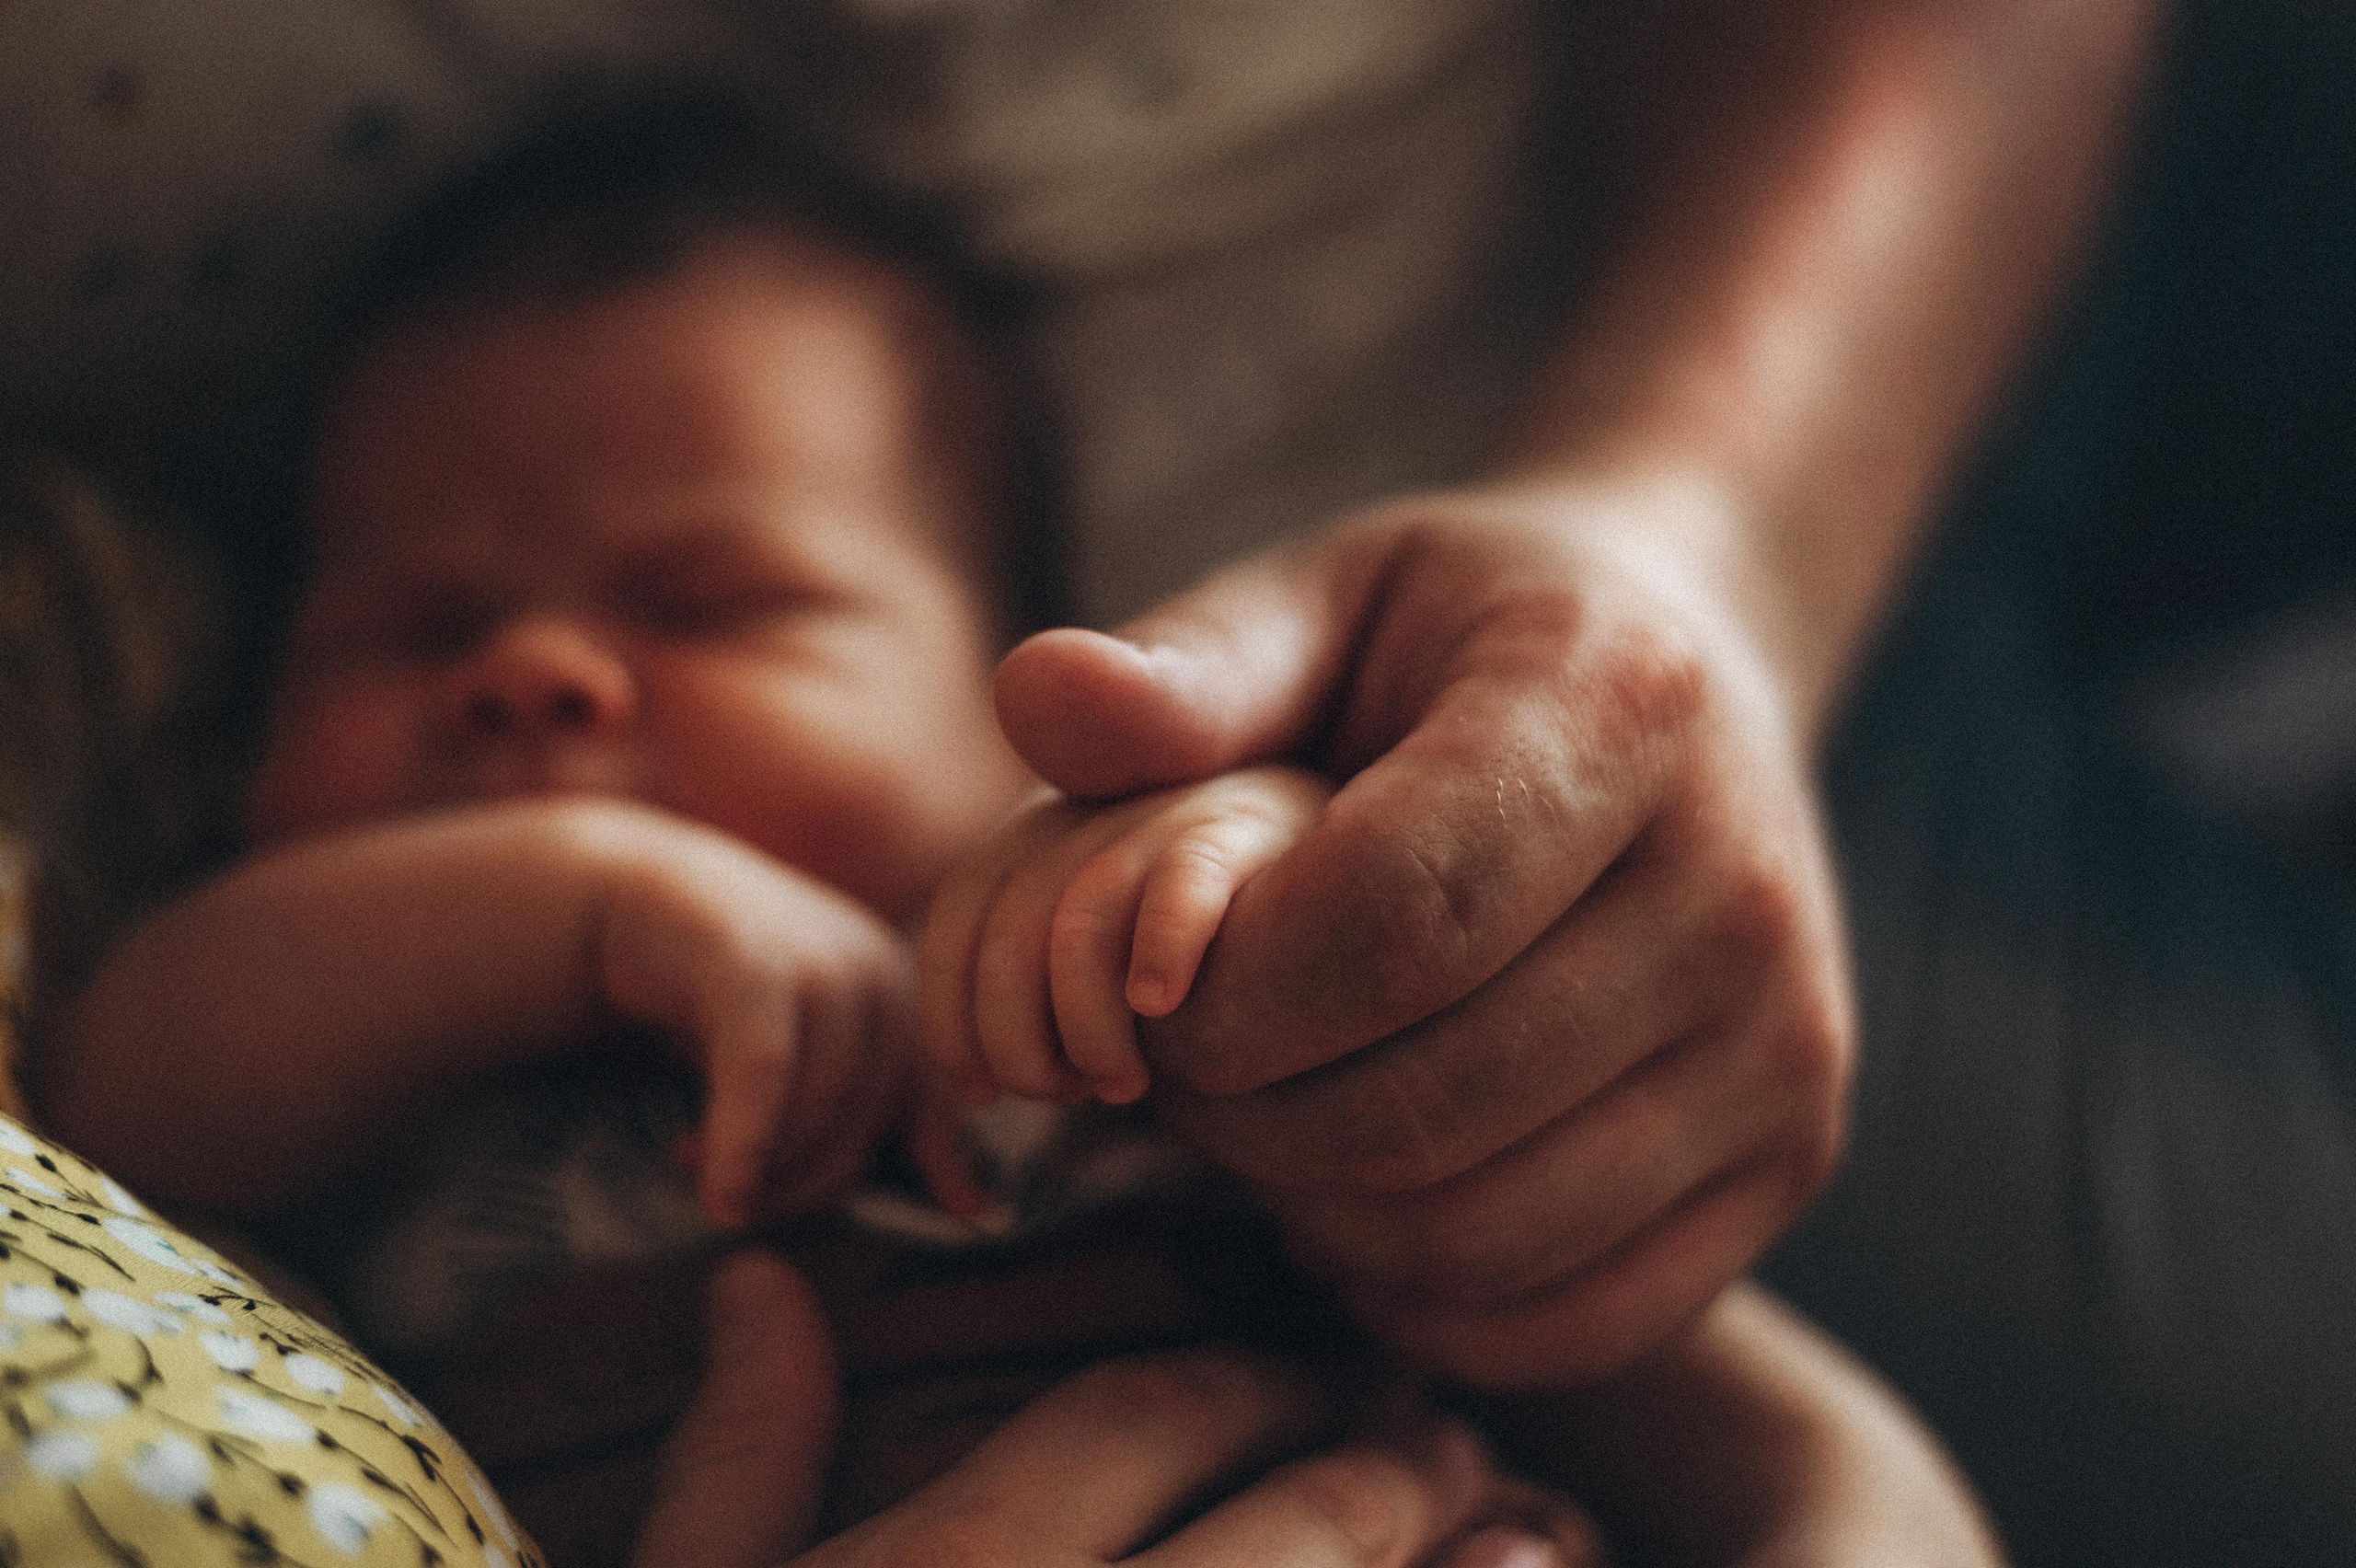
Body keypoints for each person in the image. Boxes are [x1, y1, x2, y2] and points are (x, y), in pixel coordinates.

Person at [19, 105, 2001, 1568]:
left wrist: (1225, 944)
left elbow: (1735, 1423)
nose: (533, 672)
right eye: (408, 627)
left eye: (712, 602)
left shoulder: (1115, 1036)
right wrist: (593, 912)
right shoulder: (365, 1101)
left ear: (1021, 704)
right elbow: (131, 1088)